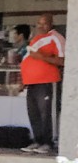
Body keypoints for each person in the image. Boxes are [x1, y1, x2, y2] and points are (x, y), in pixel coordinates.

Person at [20, 13, 65, 154]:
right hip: (32, 83)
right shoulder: (38, 38)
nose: (40, 26)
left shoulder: (56, 37)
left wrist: (41, 57)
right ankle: (38, 141)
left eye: (44, 23)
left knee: (47, 114)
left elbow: (62, 61)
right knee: (34, 113)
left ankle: (48, 142)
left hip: (47, 82)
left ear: (51, 24)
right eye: (39, 23)